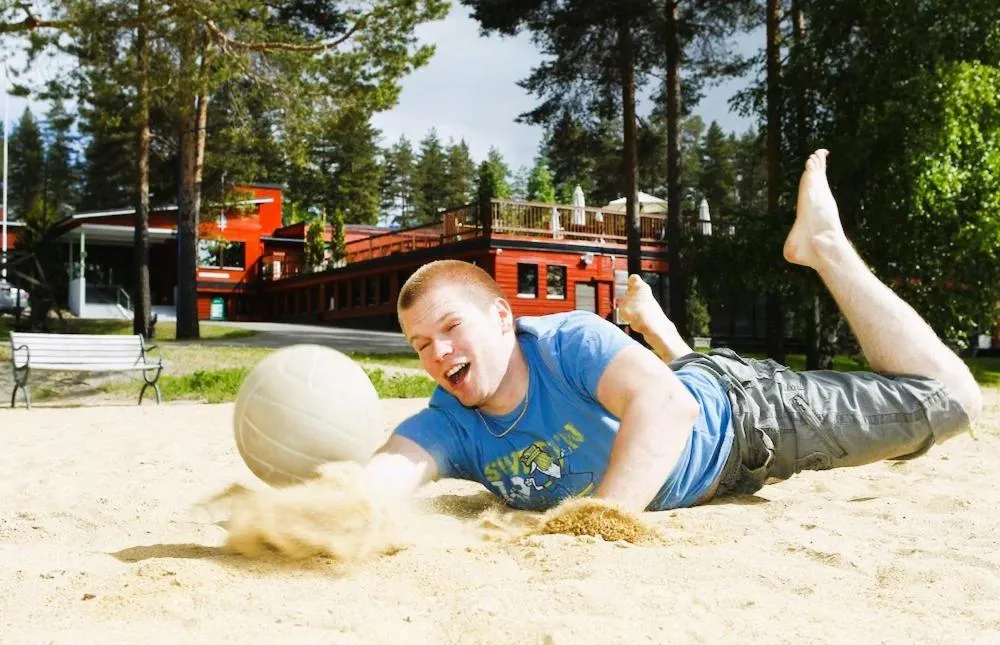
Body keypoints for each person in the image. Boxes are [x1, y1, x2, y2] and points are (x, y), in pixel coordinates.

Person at [362, 149, 981, 513]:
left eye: (449, 328)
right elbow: (392, 467)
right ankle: (666, 338)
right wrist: (325, 509)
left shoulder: (564, 342)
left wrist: (596, 521)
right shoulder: (452, 420)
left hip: (745, 420)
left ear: (503, 318)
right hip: (681, 406)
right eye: (421, 345)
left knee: (953, 402)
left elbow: (666, 405)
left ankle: (825, 246)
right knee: (671, 374)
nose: (438, 353)